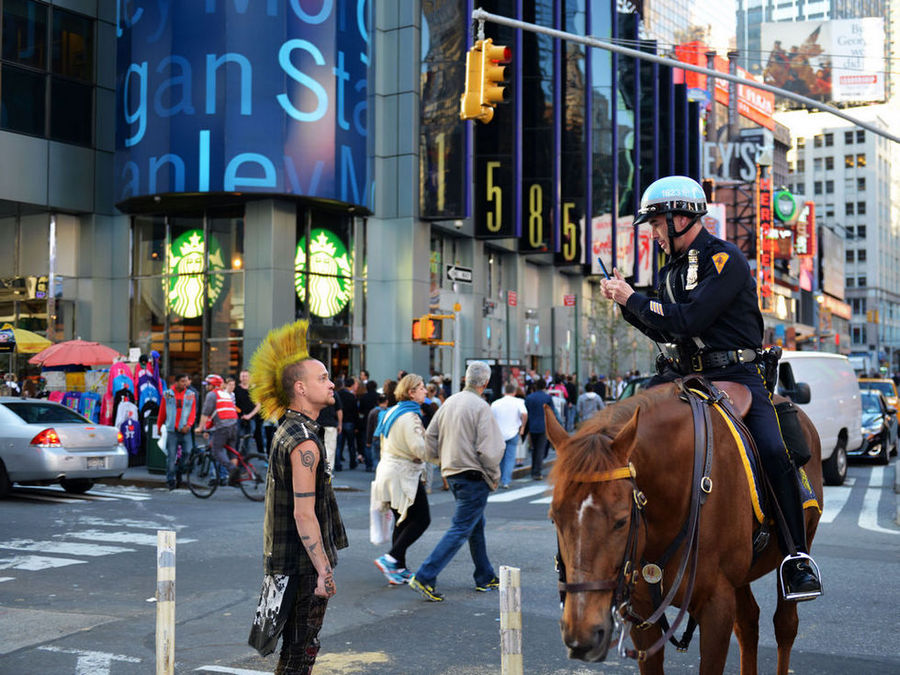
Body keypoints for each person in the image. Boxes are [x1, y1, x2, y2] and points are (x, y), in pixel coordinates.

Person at [600, 174, 821, 600]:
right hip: (683, 374)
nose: (654, 233)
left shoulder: (725, 260)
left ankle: (796, 557)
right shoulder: (671, 270)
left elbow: (689, 321)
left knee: (775, 450)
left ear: (681, 217)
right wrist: (625, 303)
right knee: (626, 429)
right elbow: (665, 329)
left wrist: (631, 298)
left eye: (657, 223)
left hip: (738, 376)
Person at [249, 320, 347, 674]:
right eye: (323, 378)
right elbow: (304, 514)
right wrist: (324, 571)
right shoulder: (304, 442)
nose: (332, 382)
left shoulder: (289, 430)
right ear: (301, 388)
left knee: (294, 652)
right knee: (300, 653)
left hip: (284, 558)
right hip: (301, 565)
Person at [408, 361, 505, 602]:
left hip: (452, 471)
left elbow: (430, 437)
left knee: (474, 524)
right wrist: (494, 475)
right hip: (473, 473)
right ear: (485, 383)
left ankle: (484, 574)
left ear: (465, 379)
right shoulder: (481, 407)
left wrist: (439, 460)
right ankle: (425, 575)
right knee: (462, 527)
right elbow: (489, 449)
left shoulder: (449, 402)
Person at [371, 374, 431, 585]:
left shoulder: (391, 412)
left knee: (403, 519)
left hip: (387, 470)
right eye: (422, 387)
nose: (426, 390)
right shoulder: (411, 416)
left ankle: (399, 567)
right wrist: (435, 452)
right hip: (404, 474)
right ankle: (391, 558)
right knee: (422, 519)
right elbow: (419, 448)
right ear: (411, 392)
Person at [195, 374, 241, 483]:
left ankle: (233, 469)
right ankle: (235, 479)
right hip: (234, 425)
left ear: (213, 385)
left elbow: (205, 414)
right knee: (232, 452)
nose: (206, 387)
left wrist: (200, 428)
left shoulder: (212, 395)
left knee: (216, 451)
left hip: (223, 427)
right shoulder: (226, 394)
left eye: (208, 384)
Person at [157, 373, 197, 490]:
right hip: (172, 430)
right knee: (171, 457)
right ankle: (170, 480)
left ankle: (179, 471)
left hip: (185, 430)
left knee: (188, 452)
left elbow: (193, 412)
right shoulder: (168, 394)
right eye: (182, 381)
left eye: (186, 381)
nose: (185, 384)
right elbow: (162, 411)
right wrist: (159, 426)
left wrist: (188, 425)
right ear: (176, 382)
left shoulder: (190, 395)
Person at [490, 383, 528, 489]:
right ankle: (506, 480)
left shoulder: (495, 403)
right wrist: (523, 426)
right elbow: (524, 414)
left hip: (498, 434)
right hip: (513, 432)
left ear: (504, 391)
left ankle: (499, 477)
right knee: (510, 457)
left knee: (500, 458)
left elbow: (490, 417)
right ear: (514, 392)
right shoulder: (519, 402)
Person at [523, 378, 554, 481]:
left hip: (532, 426)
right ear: (545, 386)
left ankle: (534, 470)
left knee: (534, 449)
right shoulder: (547, 398)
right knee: (540, 449)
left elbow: (526, 412)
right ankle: (537, 471)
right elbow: (551, 413)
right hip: (543, 426)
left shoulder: (529, 398)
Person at [235, 369, 264, 455]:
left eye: (246, 376)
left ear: (250, 377)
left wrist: (249, 415)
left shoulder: (254, 390)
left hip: (251, 419)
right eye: (242, 376)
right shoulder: (236, 389)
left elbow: (258, 405)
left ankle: (244, 462)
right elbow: (232, 404)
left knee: (247, 442)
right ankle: (235, 460)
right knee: (236, 440)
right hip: (238, 419)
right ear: (240, 378)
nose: (244, 378)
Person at [335, 377, 359, 470]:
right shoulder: (352, 396)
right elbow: (355, 412)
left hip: (340, 421)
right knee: (351, 444)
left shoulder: (338, 395)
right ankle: (352, 462)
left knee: (339, 445)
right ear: (352, 385)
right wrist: (356, 425)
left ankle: (338, 464)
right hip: (350, 422)